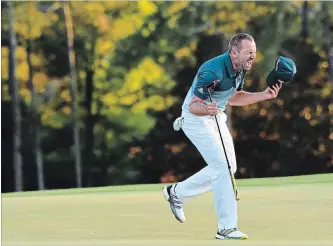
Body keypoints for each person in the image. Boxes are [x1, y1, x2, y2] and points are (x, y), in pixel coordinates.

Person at [162, 33, 284, 240]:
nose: (252, 57)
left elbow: (233, 98)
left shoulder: (240, 68)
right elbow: (194, 105)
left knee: (229, 168)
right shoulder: (212, 71)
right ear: (234, 53)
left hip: (215, 114)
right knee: (223, 167)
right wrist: (207, 110)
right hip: (195, 118)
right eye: (249, 53)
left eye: (254, 53)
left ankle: (176, 193)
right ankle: (226, 228)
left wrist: (263, 95)